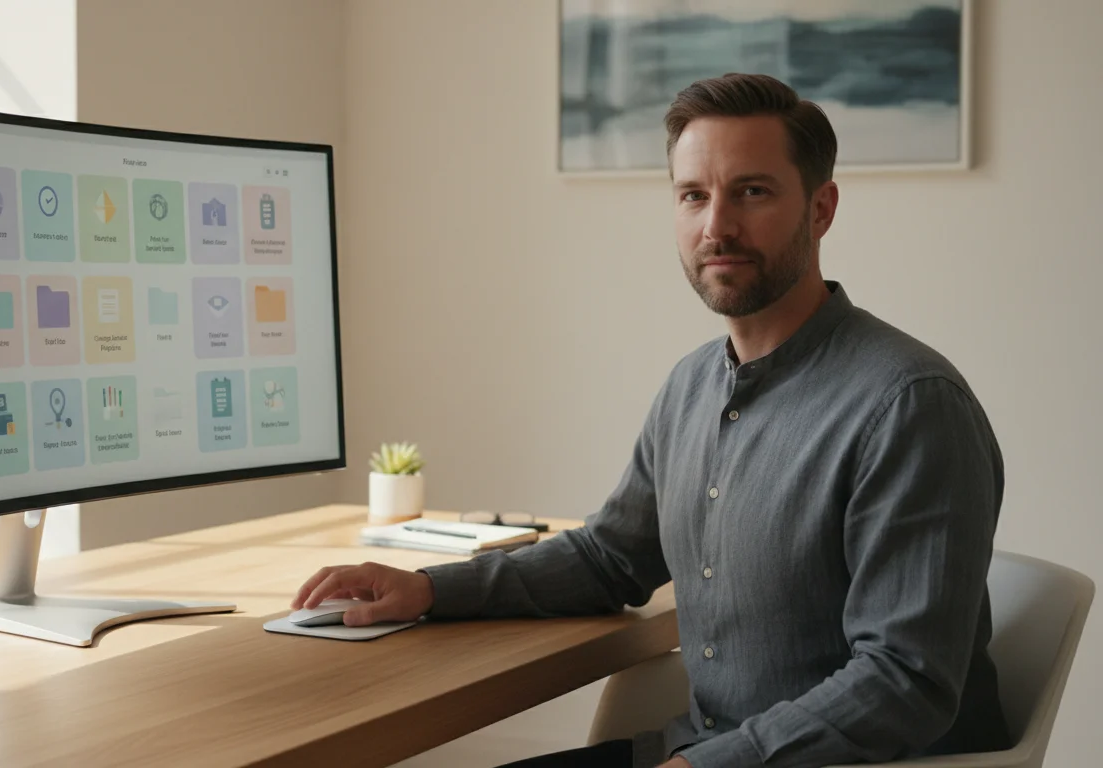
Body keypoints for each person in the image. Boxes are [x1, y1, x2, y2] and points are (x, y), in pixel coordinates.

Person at [292, 73, 1013, 768]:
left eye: (752, 192)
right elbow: (610, 559)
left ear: (820, 209)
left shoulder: (909, 405)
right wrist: (428, 589)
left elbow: (905, 680)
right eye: (693, 195)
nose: (717, 226)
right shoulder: (691, 386)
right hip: (694, 748)